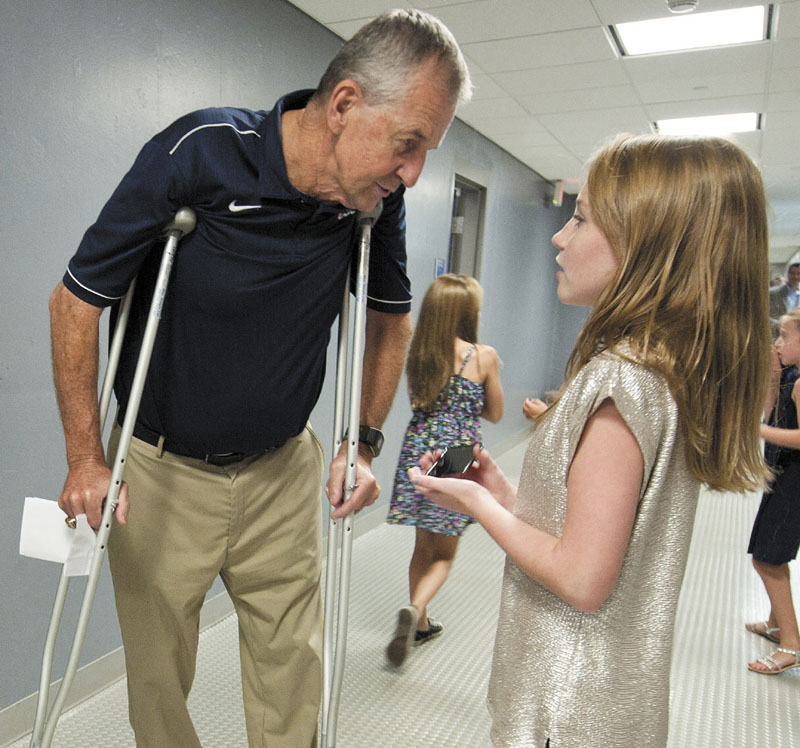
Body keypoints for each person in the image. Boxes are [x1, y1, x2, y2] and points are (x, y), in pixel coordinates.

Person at [49, 9, 471, 747]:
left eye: (426, 152)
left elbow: (389, 316)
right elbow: (76, 300)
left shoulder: (377, 202)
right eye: (409, 144)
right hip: (159, 473)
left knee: (293, 671)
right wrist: (86, 458)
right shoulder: (201, 152)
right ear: (342, 105)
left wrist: (364, 443)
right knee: (157, 678)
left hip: (281, 468)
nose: (413, 173)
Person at [409, 134, 770, 748]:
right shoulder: (663, 371)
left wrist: (478, 506)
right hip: (604, 704)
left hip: (563, 708)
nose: (559, 236)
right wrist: (500, 487)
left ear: (644, 245)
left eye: (580, 219)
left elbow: (582, 578)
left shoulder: (620, 379)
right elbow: (593, 531)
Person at [384, 273, 503, 666]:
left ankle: (419, 623)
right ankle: (416, 607)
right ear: (468, 312)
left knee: (423, 544)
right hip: (458, 454)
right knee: (445, 554)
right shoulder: (482, 356)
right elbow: (495, 413)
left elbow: (420, 401)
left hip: (420, 450)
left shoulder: (420, 353)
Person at [745, 310, 800, 675]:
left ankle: (791, 646)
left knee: (767, 558)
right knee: (773, 551)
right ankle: (777, 622)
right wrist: (771, 371)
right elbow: (772, 414)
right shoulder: (790, 376)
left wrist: (756, 432)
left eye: (784, 336)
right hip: (783, 471)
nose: (778, 343)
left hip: (794, 477)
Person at [769, 262, 800, 329]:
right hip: (778, 334)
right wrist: (777, 323)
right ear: (788, 274)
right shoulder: (773, 293)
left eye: (798, 274)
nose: (795, 276)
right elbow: (762, 314)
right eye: (793, 273)